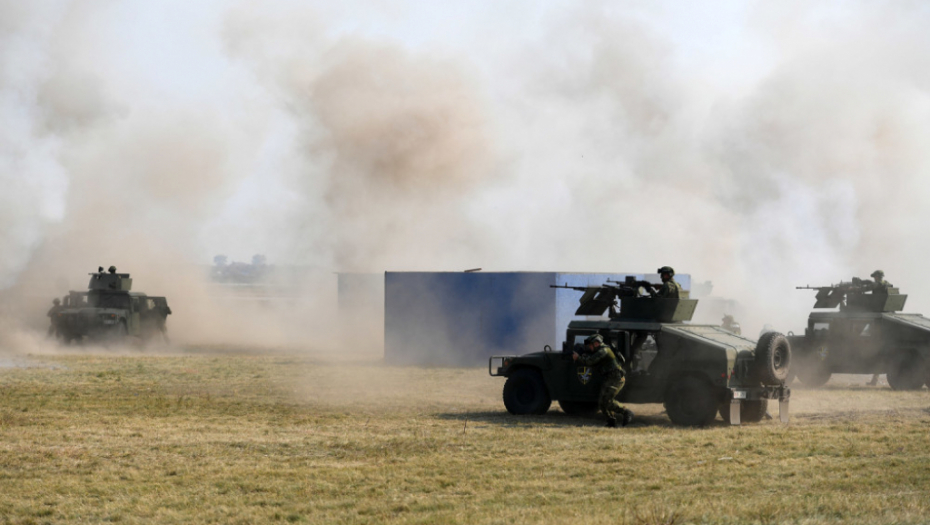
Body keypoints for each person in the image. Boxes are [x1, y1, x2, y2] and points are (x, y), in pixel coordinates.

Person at [572, 333, 632, 427]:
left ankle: (626, 412)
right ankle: (611, 421)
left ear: (596, 343)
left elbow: (590, 361)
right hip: (609, 378)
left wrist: (578, 357)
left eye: (591, 346)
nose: (590, 348)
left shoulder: (604, 350)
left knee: (607, 401)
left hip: (616, 379)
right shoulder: (600, 350)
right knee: (601, 402)